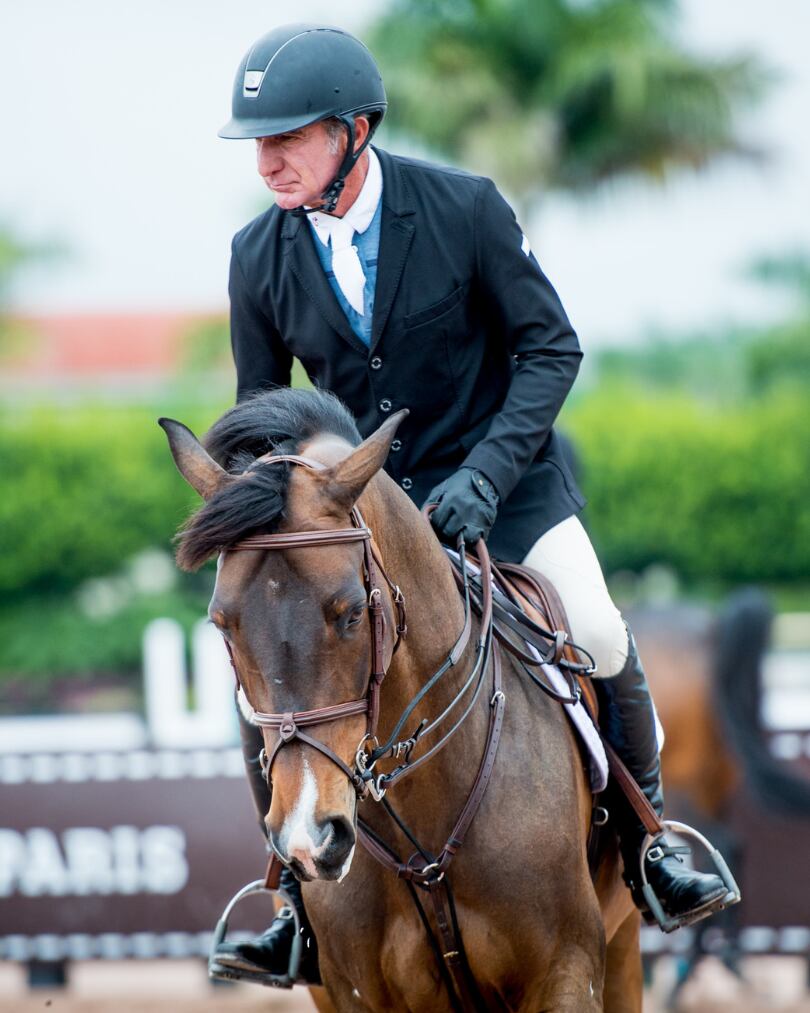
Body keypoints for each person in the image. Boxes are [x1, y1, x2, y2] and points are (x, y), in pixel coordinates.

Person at [210, 23, 730, 986]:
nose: (268, 159)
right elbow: (260, 418)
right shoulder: (257, 255)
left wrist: (486, 475)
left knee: (598, 629)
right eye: (259, 142)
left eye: (288, 137)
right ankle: (291, 898)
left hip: (507, 488)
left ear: (354, 131)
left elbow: (550, 348)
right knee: (266, 681)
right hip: (362, 519)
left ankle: (650, 841)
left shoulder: (465, 209)